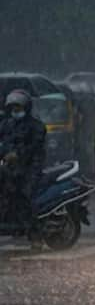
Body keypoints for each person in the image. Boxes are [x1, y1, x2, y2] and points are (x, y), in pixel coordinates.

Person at [0, 90, 46, 249]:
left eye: (18, 107)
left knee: (23, 195)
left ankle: (36, 235)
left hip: (30, 168)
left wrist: (17, 154)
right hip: (9, 167)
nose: (15, 110)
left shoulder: (36, 126)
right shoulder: (6, 124)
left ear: (26, 107)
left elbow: (34, 147)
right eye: (13, 107)